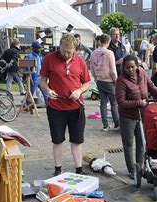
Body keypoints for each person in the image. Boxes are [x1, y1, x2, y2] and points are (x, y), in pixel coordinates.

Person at [40, 34, 90, 176]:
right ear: (59, 47)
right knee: (57, 139)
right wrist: (48, 90)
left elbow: (86, 83)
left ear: (75, 49)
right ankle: (57, 169)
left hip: (76, 107)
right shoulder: (49, 58)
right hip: (56, 108)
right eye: (63, 51)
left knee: (77, 140)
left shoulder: (80, 61)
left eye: (69, 52)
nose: (66, 54)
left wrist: (79, 90)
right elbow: (42, 80)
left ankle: (79, 169)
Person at [115, 55, 157, 179]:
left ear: (137, 66)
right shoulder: (121, 80)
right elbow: (121, 102)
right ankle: (132, 170)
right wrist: (138, 103)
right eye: (127, 68)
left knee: (141, 142)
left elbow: (151, 86)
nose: (130, 70)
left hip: (142, 114)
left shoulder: (142, 73)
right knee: (128, 144)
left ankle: (140, 167)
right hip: (128, 116)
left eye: (132, 67)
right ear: (124, 68)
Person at [90, 34, 119, 131]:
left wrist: (96, 78)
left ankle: (105, 125)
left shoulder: (93, 53)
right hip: (109, 81)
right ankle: (117, 124)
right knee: (114, 103)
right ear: (108, 41)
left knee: (103, 103)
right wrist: (116, 81)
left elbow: (92, 68)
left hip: (99, 80)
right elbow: (113, 70)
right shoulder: (109, 53)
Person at [26, 41, 48, 105]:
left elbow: (42, 66)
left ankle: (48, 105)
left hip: (40, 78)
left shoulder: (40, 56)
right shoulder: (29, 56)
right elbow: (27, 69)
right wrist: (30, 78)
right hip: (34, 78)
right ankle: (27, 106)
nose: (39, 49)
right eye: (38, 48)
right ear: (33, 48)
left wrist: (45, 76)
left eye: (40, 48)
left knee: (45, 93)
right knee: (30, 93)